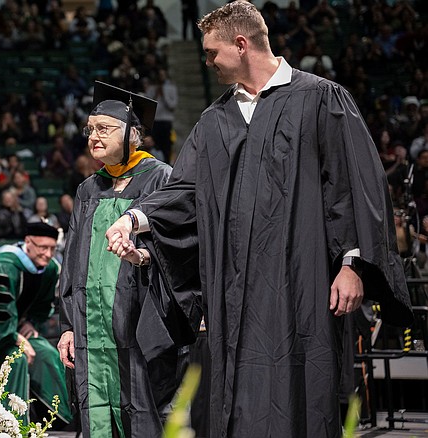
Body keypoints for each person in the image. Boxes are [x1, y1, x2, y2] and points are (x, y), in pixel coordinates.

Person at [105, 2, 414, 437]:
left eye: (213, 52)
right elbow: (185, 191)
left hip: (302, 287)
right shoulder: (215, 120)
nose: (207, 61)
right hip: (233, 294)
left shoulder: (320, 99)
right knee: (235, 399)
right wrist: (134, 218)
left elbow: (352, 185)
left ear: (241, 44)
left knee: (303, 392)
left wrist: (352, 264)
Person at [58, 81, 191, 437]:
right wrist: (68, 325)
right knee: (95, 407)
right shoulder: (88, 189)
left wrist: (144, 255)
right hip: (91, 326)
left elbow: (182, 245)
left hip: (139, 321)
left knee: (145, 407)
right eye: (91, 129)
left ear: (132, 135)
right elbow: (71, 262)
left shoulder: (162, 178)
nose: (93, 137)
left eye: (104, 129)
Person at [0, 222, 72, 424]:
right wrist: (14, 336)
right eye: (43, 248)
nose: (48, 254)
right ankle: (11, 424)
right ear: (28, 242)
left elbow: (43, 305)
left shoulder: (50, 268)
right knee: (17, 361)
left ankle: (54, 421)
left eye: (53, 249)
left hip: (14, 330)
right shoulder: (5, 264)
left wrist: (31, 323)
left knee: (47, 353)